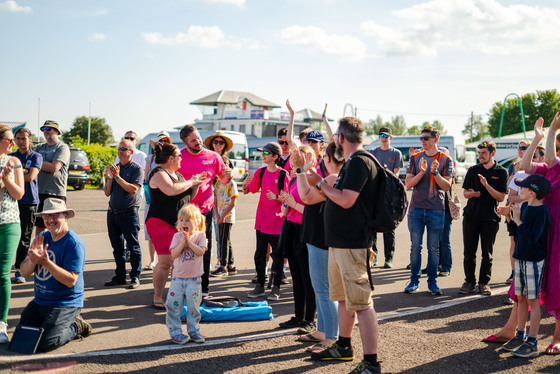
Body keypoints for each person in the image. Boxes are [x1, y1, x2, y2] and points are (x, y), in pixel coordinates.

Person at [310, 117, 381, 374]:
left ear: (341, 137)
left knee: (362, 303)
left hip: (353, 243)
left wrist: (321, 184)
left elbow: (347, 200)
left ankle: (371, 362)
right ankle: (343, 346)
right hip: (340, 243)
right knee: (341, 298)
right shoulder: (353, 161)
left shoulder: (360, 162)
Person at [17, 198, 92, 352]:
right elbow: (24, 272)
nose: (50, 220)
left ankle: (76, 325)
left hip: (65, 303)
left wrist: (45, 262)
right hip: (40, 301)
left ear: (65, 216)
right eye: (46, 216)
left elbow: (71, 280)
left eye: (55, 215)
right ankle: (51, 324)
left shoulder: (73, 243)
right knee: (23, 340)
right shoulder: (42, 238)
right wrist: (33, 261)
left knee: (46, 343)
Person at [295, 141, 344, 353]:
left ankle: (331, 337)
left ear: (329, 159)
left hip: (321, 239)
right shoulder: (330, 177)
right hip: (318, 237)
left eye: (325, 156)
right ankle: (323, 331)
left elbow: (306, 197)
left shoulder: (334, 178)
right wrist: (305, 170)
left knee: (324, 290)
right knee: (320, 289)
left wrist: (299, 170)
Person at [146, 142, 203, 310]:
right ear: (170, 158)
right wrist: (191, 181)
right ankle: (157, 296)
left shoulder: (177, 175)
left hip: (177, 223)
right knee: (166, 260)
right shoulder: (158, 173)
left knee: (178, 260)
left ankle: (175, 294)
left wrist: (196, 185)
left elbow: (187, 196)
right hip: (160, 222)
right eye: (179, 155)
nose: (181, 158)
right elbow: (171, 190)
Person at [177, 125, 232, 297]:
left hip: (204, 212)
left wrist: (227, 175)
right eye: (193, 140)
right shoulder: (178, 156)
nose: (198, 142)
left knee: (203, 249)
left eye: (199, 138)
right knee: (183, 249)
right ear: (185, 142)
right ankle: (181, 286)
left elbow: (223, 179)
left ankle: (204, 288)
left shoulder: (213, 156)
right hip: (184, 212)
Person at [499, 174, 551, 358]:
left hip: (533, 261)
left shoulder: (542, 212)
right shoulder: (526, 207)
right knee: (520, 298)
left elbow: (533, 238)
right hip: (521, 257)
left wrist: (518, 219)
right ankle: (520, 335)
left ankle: (533, 341)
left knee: (532, 300)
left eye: (523, 188)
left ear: (532, 192)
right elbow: (518, 233)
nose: (519, 190)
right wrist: (510, 218)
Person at [404, 127, 452, 295]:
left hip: (436, 210)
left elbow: (447, 186)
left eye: (426, 138)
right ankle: (414, 281)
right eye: (421, 138)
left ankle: (432, 282)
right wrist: (422, 173)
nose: (422, 141)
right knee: (415, 247)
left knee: (433, 248)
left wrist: (435, 173)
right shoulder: (415, 158)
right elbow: (408, 184)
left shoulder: (445, 159)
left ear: (435, 140)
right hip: (416, 209)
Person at [274, 146, 316, 335]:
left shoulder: (312, 180)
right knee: (296, 278)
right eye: (291, 160)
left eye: (294, 159)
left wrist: (293, 204)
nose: (291, 163)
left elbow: (311, 213)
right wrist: (285, 202)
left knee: (308, 278)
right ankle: (298, 315)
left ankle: (310, 319)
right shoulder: (293, 179)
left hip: (305, 231)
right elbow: (285, 211)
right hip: (291, 229)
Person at [459, 141, 508, 295]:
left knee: (487, 253)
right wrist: (471, 194)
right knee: (469, 252)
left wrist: (486, 185)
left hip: (490, 218)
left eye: (483, 153)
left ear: (492, 153)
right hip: (471, 217)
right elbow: (465, 193)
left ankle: (484, 283)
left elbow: (500, 197)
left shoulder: (501, 172)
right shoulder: (473, 170)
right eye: (479, 153)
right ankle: (469, 282)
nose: (480, 156)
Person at [242, 142, 290, 298]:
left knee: (277, 256)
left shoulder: (283, 175)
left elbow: (288, 198)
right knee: (260, 255)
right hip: (262, 221)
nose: (263, 155)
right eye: (263, 152)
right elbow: (251, 190)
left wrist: (276, 197)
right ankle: (260, 285)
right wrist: (244, 186)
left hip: (277, 223)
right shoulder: (260, 172)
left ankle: (275, 287)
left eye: (266, 153)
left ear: (275, 157)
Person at [103, 140, 144, 289]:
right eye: (119, 148)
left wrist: (118, 177)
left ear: (131, 152)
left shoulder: (136, 169)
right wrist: (109, 179)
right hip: (113, 213)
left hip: (129, 214)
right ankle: (120, 276)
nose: (119, 151)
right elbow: (107, 193)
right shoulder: (116, 169)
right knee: (117, 248)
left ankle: (135, 277)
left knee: (133, 247)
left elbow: (133, 189)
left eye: (123, 149)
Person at [165, 204, 207, 344]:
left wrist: (189, 242)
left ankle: (194, 331)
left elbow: (201, 252)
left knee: (193, 308)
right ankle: (176, 332)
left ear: (196, 222)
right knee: (173, 306)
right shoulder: (177, 236)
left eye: (188, 220)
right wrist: (183, 242)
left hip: (194, 281)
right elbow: (174, 254)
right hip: (177, 280)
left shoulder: (200, 236)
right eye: (182, 220)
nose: (184, 223)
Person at [0, 125, 24, 343]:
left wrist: (6, 180)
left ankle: (2, 322)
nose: (13, 144)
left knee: (2, 272)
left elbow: (18, 194)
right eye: (10, 140)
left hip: (8, 223)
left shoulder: (14, 162)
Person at [9, 127, 43, 284]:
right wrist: (23, 170)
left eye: (24, 138)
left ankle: (20, 271)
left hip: (28, 201)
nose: (21, 142)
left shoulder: (36, 156)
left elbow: (31, 176)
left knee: (24, 237)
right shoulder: (10, 155)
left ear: (30, 139)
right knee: (9, 235)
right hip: (11, 200)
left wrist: (15, 170)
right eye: (18, 139)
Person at [370, 126, 403, 269]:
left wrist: (385, 175)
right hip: (375, 194)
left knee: (389, 227)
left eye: (386, 135)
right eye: (381, 135)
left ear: (391, 137)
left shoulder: (396, 153)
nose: (383, 137)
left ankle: (389, 258)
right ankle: (373, 257)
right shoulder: (372, 152)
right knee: (373, 227)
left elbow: (395, 174)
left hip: (390, 195)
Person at [205, 131, 236, 274]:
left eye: (221, 142)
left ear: (224, 146)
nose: (218, 144)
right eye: (215, 142)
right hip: (210, 195)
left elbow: (228, 182)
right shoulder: (208, 158)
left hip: (222, 198)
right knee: (220, 234)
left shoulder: (227, 161)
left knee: (221, 235)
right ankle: (229, 263)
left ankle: (223, 262)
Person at [116, 131, 147, 264]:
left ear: (136, 141)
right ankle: (122, 253)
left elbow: (139, 179)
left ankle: (129, 250)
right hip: (119, 193)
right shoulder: (119, 155)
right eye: (126, 137)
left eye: (131, 138)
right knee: (119, 226)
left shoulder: (141, 156)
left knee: (130, 225)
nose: (128, 139)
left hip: (134, 195)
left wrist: (119, 178)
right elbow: (116, 170)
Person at [34, 120, 70, 235]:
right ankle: (40, 250)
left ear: (56, 131)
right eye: (43, 129)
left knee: (58, 225)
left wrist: (37, 163)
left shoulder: (62, 147)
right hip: (39, 192)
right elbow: (29, 163)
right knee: (40, 226)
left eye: (48, 129)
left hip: (56, 193)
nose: (45, 131)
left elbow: (54, 167)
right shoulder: (39, 147)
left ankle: (58, 251)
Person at [143, 131, 173, 270]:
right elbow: (147, 177)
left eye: (166, 140)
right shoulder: (150, 158)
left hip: (168, 198)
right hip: (153, 198)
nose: (163, 143)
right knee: (151, 231)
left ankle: (168, 259)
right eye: (161, 141)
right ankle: (152, 260)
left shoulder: (172, 158)